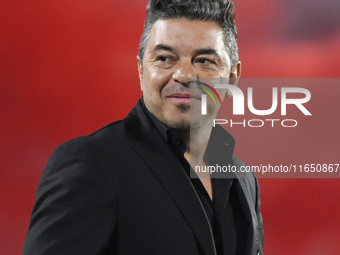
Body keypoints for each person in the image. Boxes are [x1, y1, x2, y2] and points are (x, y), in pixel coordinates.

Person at [23, 0, 264, 254]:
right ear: (141, 70)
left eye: (203, 61)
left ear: (233, 77)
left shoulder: (244, 178)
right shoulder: (91, 162)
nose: (184, 75)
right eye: (164, 58)